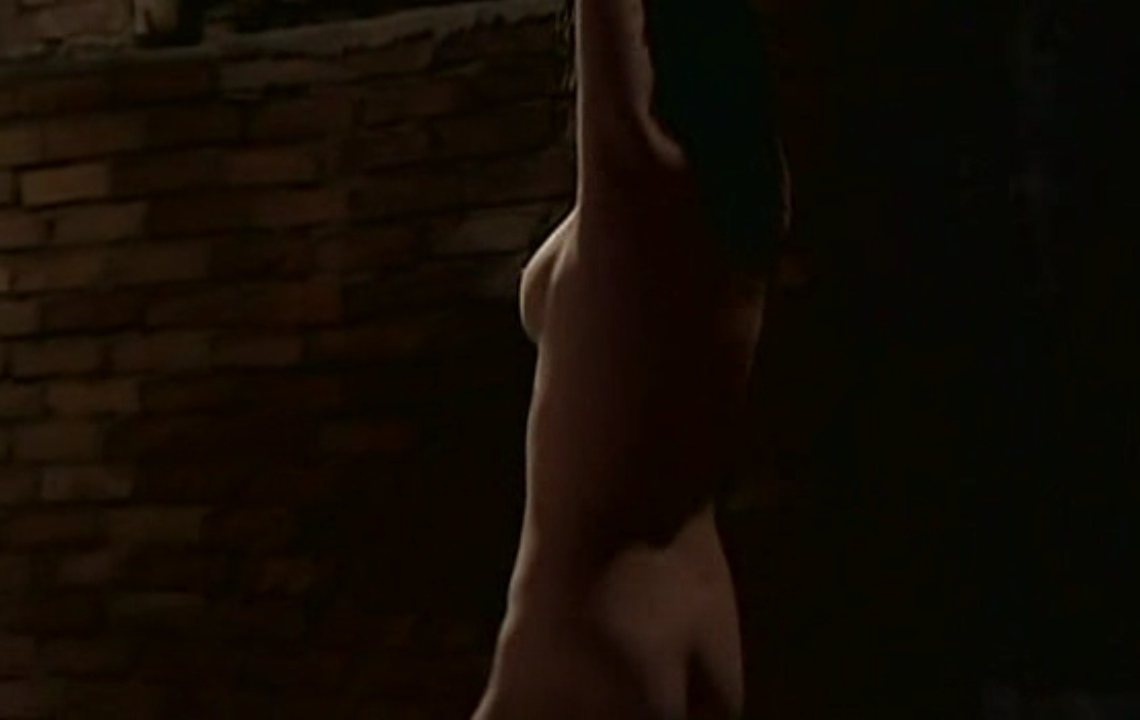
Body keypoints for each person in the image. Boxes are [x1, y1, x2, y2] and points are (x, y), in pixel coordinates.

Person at [473, 1, 1140, 718]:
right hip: (701, 612)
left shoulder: (637, 186)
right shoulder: (745, 203)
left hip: (594, 622)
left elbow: (610, 73)